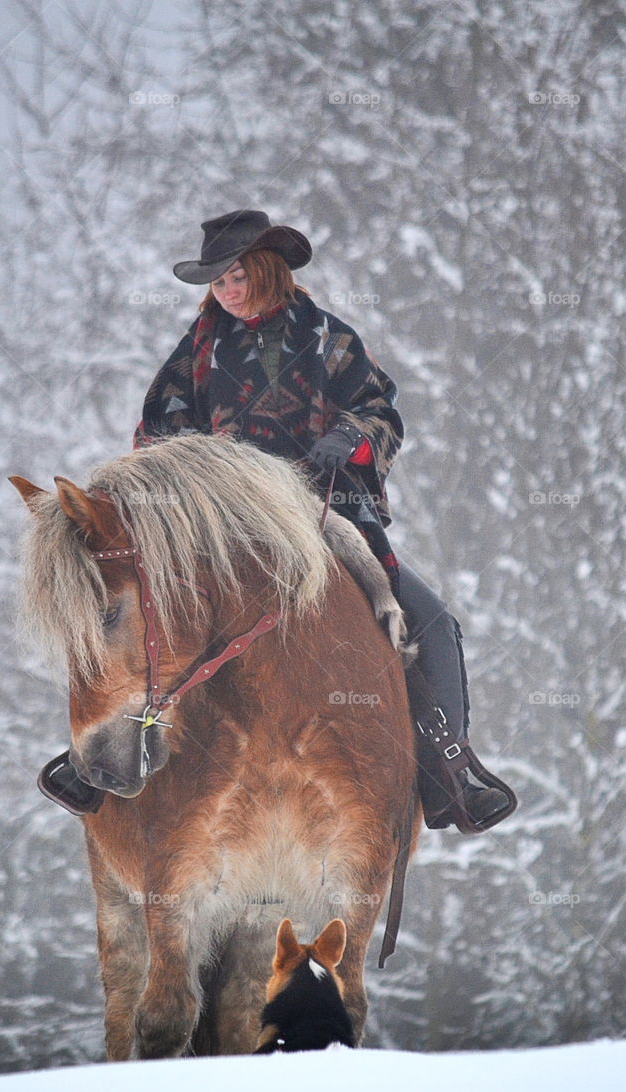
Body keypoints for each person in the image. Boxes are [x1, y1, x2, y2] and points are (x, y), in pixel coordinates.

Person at [39, 210, 515, 832]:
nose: (227, 292)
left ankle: (449, 774)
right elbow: (155, 436)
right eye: (217, 283)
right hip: (224, 523)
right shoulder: (198, 353)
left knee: (431, 621)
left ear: (267, 272)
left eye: (236, 277)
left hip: (319, 512)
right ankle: (98, 754)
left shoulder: (330, 338)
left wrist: (349, 438)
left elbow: (381, 412)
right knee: (133, 610)